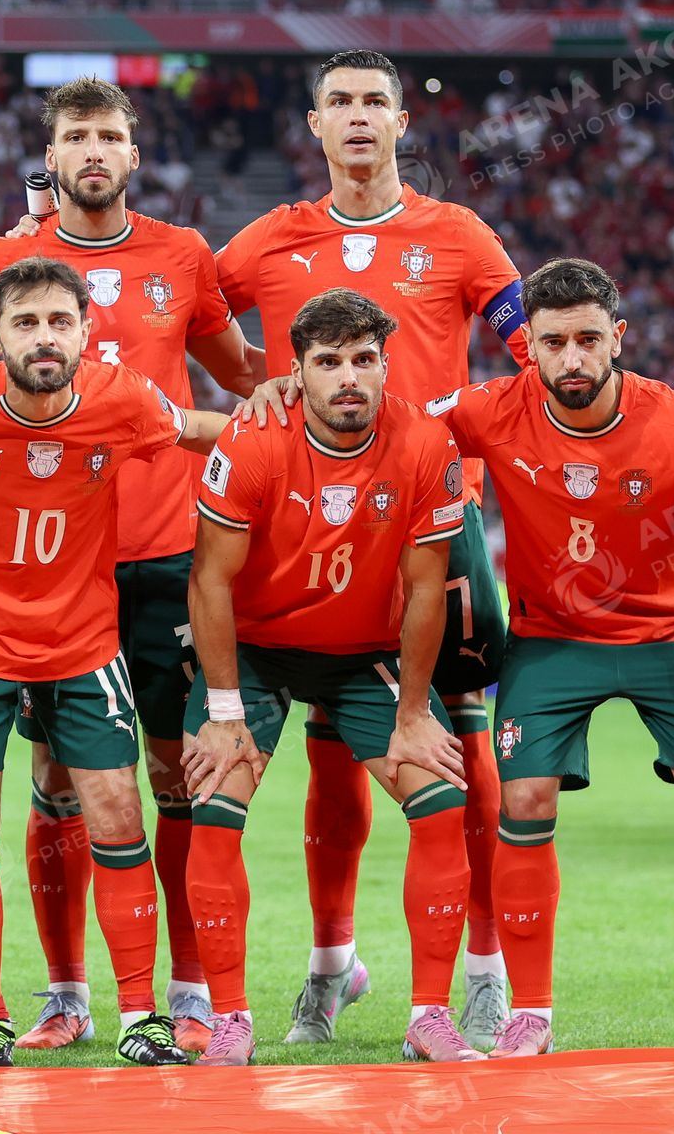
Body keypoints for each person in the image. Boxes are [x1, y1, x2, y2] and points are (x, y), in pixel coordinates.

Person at [0, 77, 262, 1053]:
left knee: (173, 772)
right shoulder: (3, 260)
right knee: (56, 777)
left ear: (133, 154)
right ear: (51, 156)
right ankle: (66, 992)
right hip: (43, 573)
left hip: (162, 553)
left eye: (110, 135)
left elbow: (240, 378)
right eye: (76, 134)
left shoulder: (183, 255)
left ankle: (190, 988)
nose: (93, 149)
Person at [218, 50, 528, 1049]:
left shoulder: (459, 235)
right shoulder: (271, 239)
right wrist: (254, 383)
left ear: (402, 122)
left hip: (435, 518)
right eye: (340, 102)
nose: (358, 116)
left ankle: (483, 970)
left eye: (376, 102)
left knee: (453, 743)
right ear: (315, 124)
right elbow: (177, 309)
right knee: (335, 748)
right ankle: (330, 966)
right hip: (310, 520)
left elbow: (535, 353)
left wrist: (459, 418)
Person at [0, 256, 230, 1068]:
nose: (45, 337)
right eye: (25, 323)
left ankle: (140, 1018)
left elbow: (199, 430)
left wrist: (286, 414)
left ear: (87, 331)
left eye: (60, 321)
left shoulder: (121, 397)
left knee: (120, 818)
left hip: (83, 645)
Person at [422, 258, 674, 1055]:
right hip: (552, 639)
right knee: (524, 797)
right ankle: (530, 1014)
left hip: (667, 636)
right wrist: (285, 395)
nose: (572, 358)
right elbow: (392, 424)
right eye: (554, 342)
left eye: (589, 340)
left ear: (618, 338)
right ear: (528, 345)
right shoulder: (489, 410)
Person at [181, 288, 479, 1066]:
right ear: (297, 372)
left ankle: (429, 1017)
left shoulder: (425, 444)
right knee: (214, 803)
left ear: (386, 366)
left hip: (361, 654)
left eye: (364, 359)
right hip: (256, 651)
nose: (349, 377)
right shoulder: (252, 439)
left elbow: (426, 590)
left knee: (442, 802)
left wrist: (414, 714)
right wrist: (222, 711)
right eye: (328, 362)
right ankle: (232, 1021)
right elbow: (210, 581)